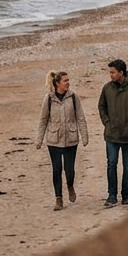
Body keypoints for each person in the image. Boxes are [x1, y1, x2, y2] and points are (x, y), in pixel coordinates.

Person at [35, 69, 89, 211]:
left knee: (69, 170)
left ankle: (70, 185)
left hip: (71, 139)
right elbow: (43, 120)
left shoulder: (73, 97)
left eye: (68, 80)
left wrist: (84, 136)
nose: (68, 83)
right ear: (58, 83)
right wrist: (38, 140)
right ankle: (58, 199)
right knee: (57, 169)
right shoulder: (49, 99)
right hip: (54, 140)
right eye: (65, 81)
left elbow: (80, 117)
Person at [98, 59, 128, 207]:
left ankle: (125, 195)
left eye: (113, 72)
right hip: (111, 134)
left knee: (127, 165)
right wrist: (107, 122)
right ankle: (112, 196)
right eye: (110, 72)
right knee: (111, 164)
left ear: (121, 73)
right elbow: (101, 107)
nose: (110, 75)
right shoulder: (107, 88)